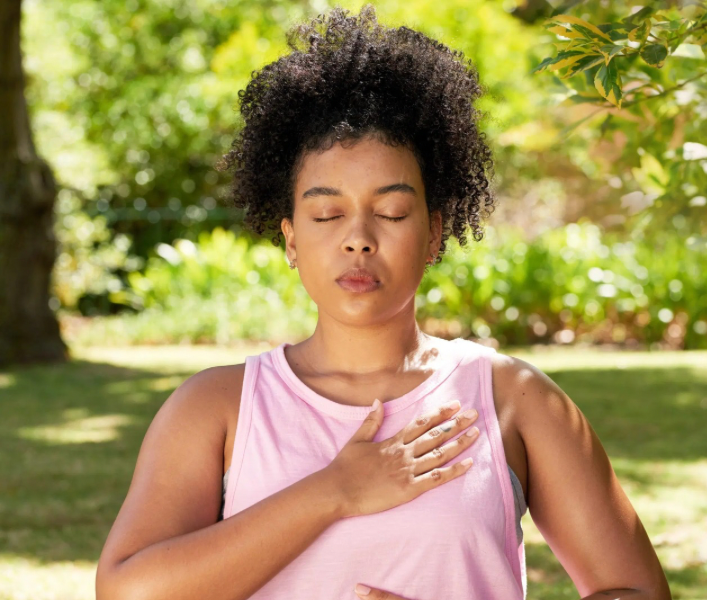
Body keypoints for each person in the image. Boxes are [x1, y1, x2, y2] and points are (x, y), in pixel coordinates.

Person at [95, 5, 671, 600]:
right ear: (291, 238)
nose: (359, 238)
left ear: (434, 233)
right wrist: (335, 491)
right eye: (327, 213)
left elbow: (638, 593)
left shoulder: (513, 400)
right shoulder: (217, 408)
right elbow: (127, 592)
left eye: (392, 212)